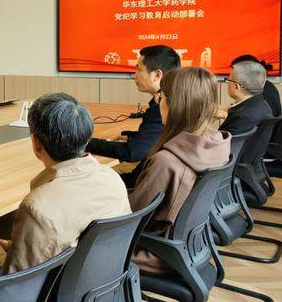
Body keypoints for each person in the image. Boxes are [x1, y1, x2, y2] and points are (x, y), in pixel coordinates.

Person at [0, 93, 131, 273]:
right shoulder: (112, 178)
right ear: (86, 139)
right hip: (106, 279)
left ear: (36, 143)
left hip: (53, 286)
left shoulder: (38, 208)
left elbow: (18, 281)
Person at [128, 67, 230, 274]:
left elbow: (129, 216)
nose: (159, 103)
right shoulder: (216, 143)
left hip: (153, 252)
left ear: (174, 103)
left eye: (161, 97)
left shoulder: (166, 162)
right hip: (191, 247)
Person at [87, 45, 180, 187]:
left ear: (157, 75)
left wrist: (86, 143)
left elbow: (132, 152)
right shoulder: (174, 101)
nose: (135, 75)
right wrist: (130, 136)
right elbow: (154, 136)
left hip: (141, 186)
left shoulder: (161, 108)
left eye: (139, 69)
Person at [218, 60, 273, 134]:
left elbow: (218, 140)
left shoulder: (241, 117)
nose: (227, 83)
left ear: (236, 86)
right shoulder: (262, 104)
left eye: (228, 80)